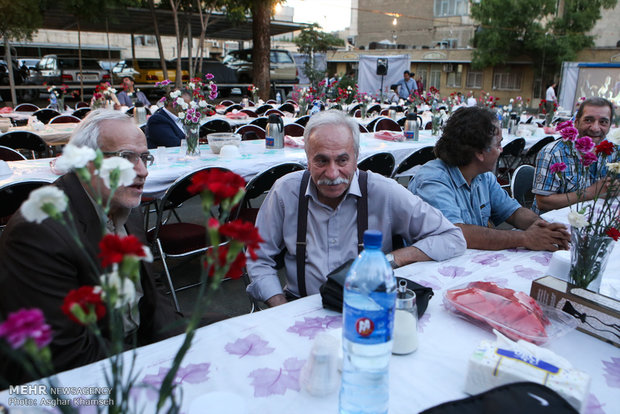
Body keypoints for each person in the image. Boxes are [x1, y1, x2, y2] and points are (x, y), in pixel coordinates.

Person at [0, 110, 183, 381]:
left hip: (138, 346)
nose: (143, 171)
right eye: (126, 157)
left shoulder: (123, 203)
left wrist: (180, 343)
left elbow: (150, 289)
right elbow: (64, 353)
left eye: (144, 157)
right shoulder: (39, 232)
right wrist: (150, 367)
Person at [246, 110, 466, 307]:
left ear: (357, 157)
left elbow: (452, 237)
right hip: (299, 306)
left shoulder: (383, 191)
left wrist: (394, 259)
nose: (332, 174)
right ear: (307, 158)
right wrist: (279, 304)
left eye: (342, 160)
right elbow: (258, 257)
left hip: (367, 307)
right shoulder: (286, 191)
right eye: (321, 161)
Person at [409, 106, 570, 252]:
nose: (501, 150)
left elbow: (513, 212)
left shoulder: (483, 177)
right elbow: (457, 233)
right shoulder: (433, 180)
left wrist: (546, 229)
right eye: (498, 145)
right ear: (480, 152)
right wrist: (525, 238)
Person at [532, 97, 618, 213]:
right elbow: (543, 202)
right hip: (555, 225)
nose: (595, 128)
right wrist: (591, 192)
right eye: (588, 120)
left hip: (598, 220)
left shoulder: (614, 151)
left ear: (609, 125)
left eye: (603, 122)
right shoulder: (553, 153)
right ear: (576, 122)